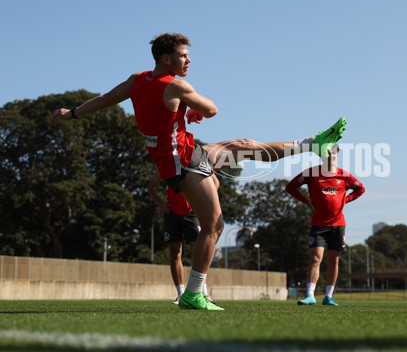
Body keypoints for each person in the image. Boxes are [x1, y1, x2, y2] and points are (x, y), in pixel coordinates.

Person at [51, 33, 346, 311]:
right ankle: (193, 294)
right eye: (183, 56)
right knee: (214, 225)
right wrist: (196, 109)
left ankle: (311, 144)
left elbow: (104, 100)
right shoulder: (176, 86)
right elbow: (213, 109)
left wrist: (71, 113)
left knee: (243, 146)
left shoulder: (136, 81)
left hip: (184, 153)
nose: (188, 61)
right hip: (181, 161)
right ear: (166, 59)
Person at [286, 144, 365, 306]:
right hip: (318, 225)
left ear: (338, 155)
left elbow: (360, 189)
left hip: (338, 225)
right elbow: (291, 187)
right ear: (321, 156)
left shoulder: (344, 175)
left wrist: (345, 200)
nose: (330, 156)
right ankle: (310, 295)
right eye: (327, 154)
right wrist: (307, 202)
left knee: (333, 260)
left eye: (333, 153)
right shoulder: (311, 173)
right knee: (315, 258)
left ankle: (329, 296)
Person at [148, 169, 219, 305]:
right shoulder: (166, 164)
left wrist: (202, 200)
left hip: (192, 214)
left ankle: (202, 292)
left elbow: (215, 182)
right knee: (175, 253)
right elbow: (152, 186)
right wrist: (160, 203)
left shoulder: (196, 161)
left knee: (198, 253)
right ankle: (180, 294)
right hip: (171, 214)